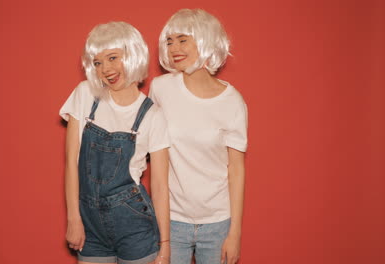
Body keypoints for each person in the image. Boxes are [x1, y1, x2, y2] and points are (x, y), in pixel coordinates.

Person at [60, 21, 170, 264]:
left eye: (113, 58)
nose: (105, 69)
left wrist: (164, 246)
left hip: (134, 226)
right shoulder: (85, 94)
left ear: (132, 56)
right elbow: (71, 162)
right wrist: (73, 219)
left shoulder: (153, 115)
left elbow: (160, 186)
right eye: (98, 62)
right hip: (89, 226)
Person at [149, 9, 248, 264]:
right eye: (169, 41)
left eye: (183, 39)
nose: (173, 48)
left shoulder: (233, 102)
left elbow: (236, 170)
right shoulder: (161, 89)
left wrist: (234, 233)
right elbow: (146, 145)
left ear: (205, 40)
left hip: (217, 223)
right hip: (171, 221)